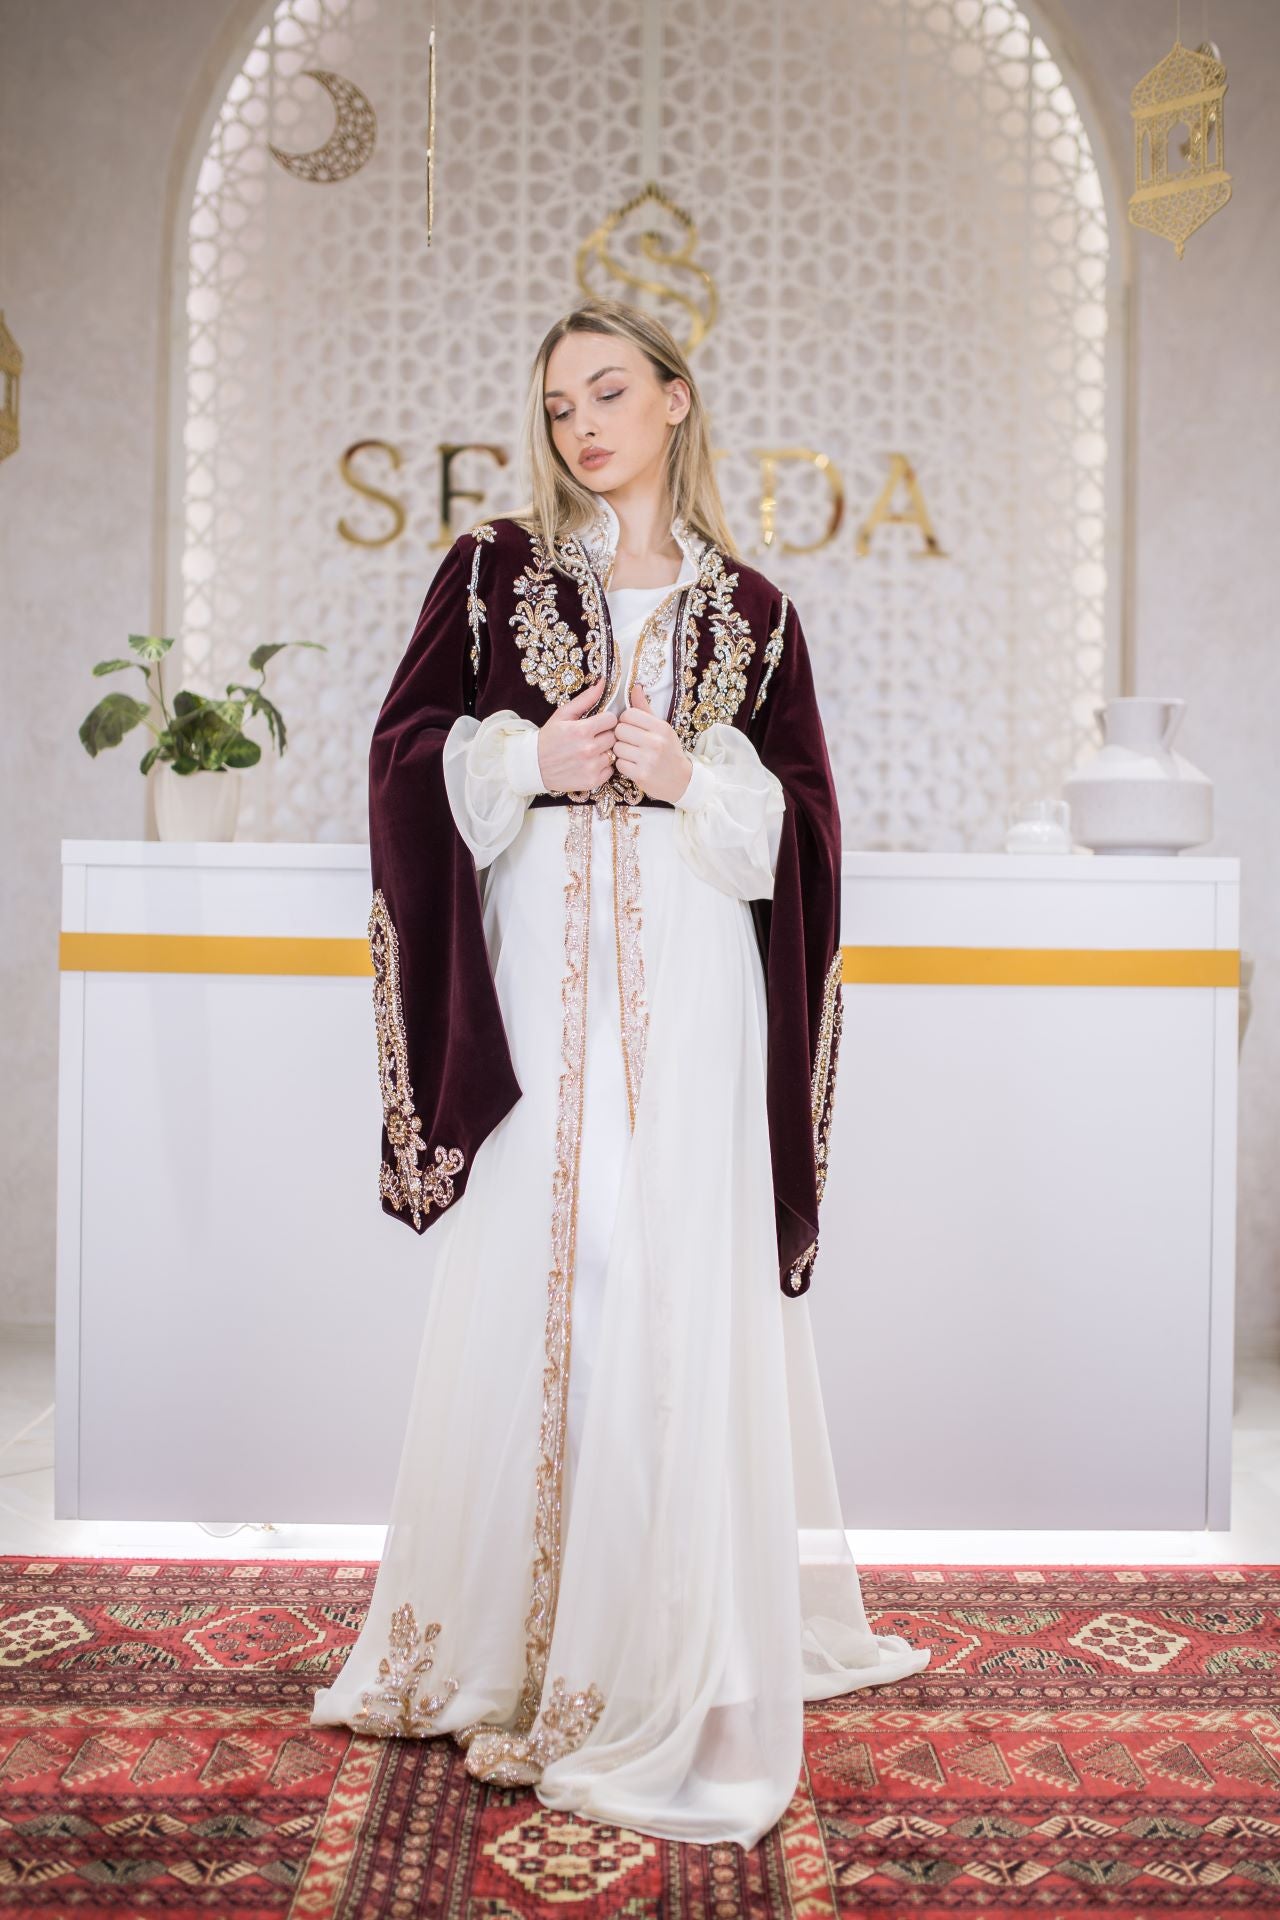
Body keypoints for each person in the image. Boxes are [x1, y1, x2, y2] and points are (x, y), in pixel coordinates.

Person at [309, 297, 930, 1849]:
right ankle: (508, 1643)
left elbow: (806, 832)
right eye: (558, 404)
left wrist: (688, 775)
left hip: (698, 979)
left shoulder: (759, 611)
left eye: (607, 392)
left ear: (673, 399)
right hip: (543, 970)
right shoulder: (493, 572)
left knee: (665, 1280)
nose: (582, 424)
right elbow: (403, 753)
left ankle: (653, 1647)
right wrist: (531, 759)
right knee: (555, 1267)